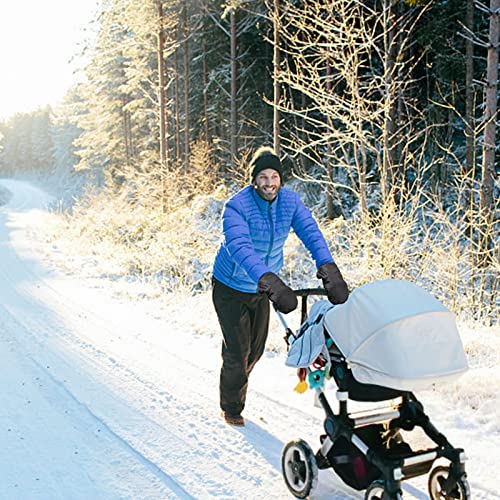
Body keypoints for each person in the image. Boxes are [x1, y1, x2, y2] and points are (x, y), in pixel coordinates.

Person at [212, 146, 349, 426]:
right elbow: (239, 247)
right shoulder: (236, 207)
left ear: (281, 179)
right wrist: (271, 280)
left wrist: (329, 269)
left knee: (255, 351)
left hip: (261, 288)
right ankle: (232, 407)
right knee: (239, 351)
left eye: (274, 176)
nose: (269, 183)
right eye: (263, 177)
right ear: (254, 180)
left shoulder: (290, 202)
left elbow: (311, 233)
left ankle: (235, 373)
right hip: (230, 286)